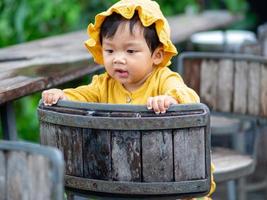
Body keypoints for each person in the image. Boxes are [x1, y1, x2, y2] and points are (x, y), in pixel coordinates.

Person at [42, 0, 215, 198]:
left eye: (130, 51)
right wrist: (63, 95)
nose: (118, 59)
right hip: (123, 177)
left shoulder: (164, 79)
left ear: (157, 55)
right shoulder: (104, 84)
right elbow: (82, 96)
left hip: (169, 179)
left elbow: (188, 97)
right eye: (110, 50)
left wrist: (170, 100)